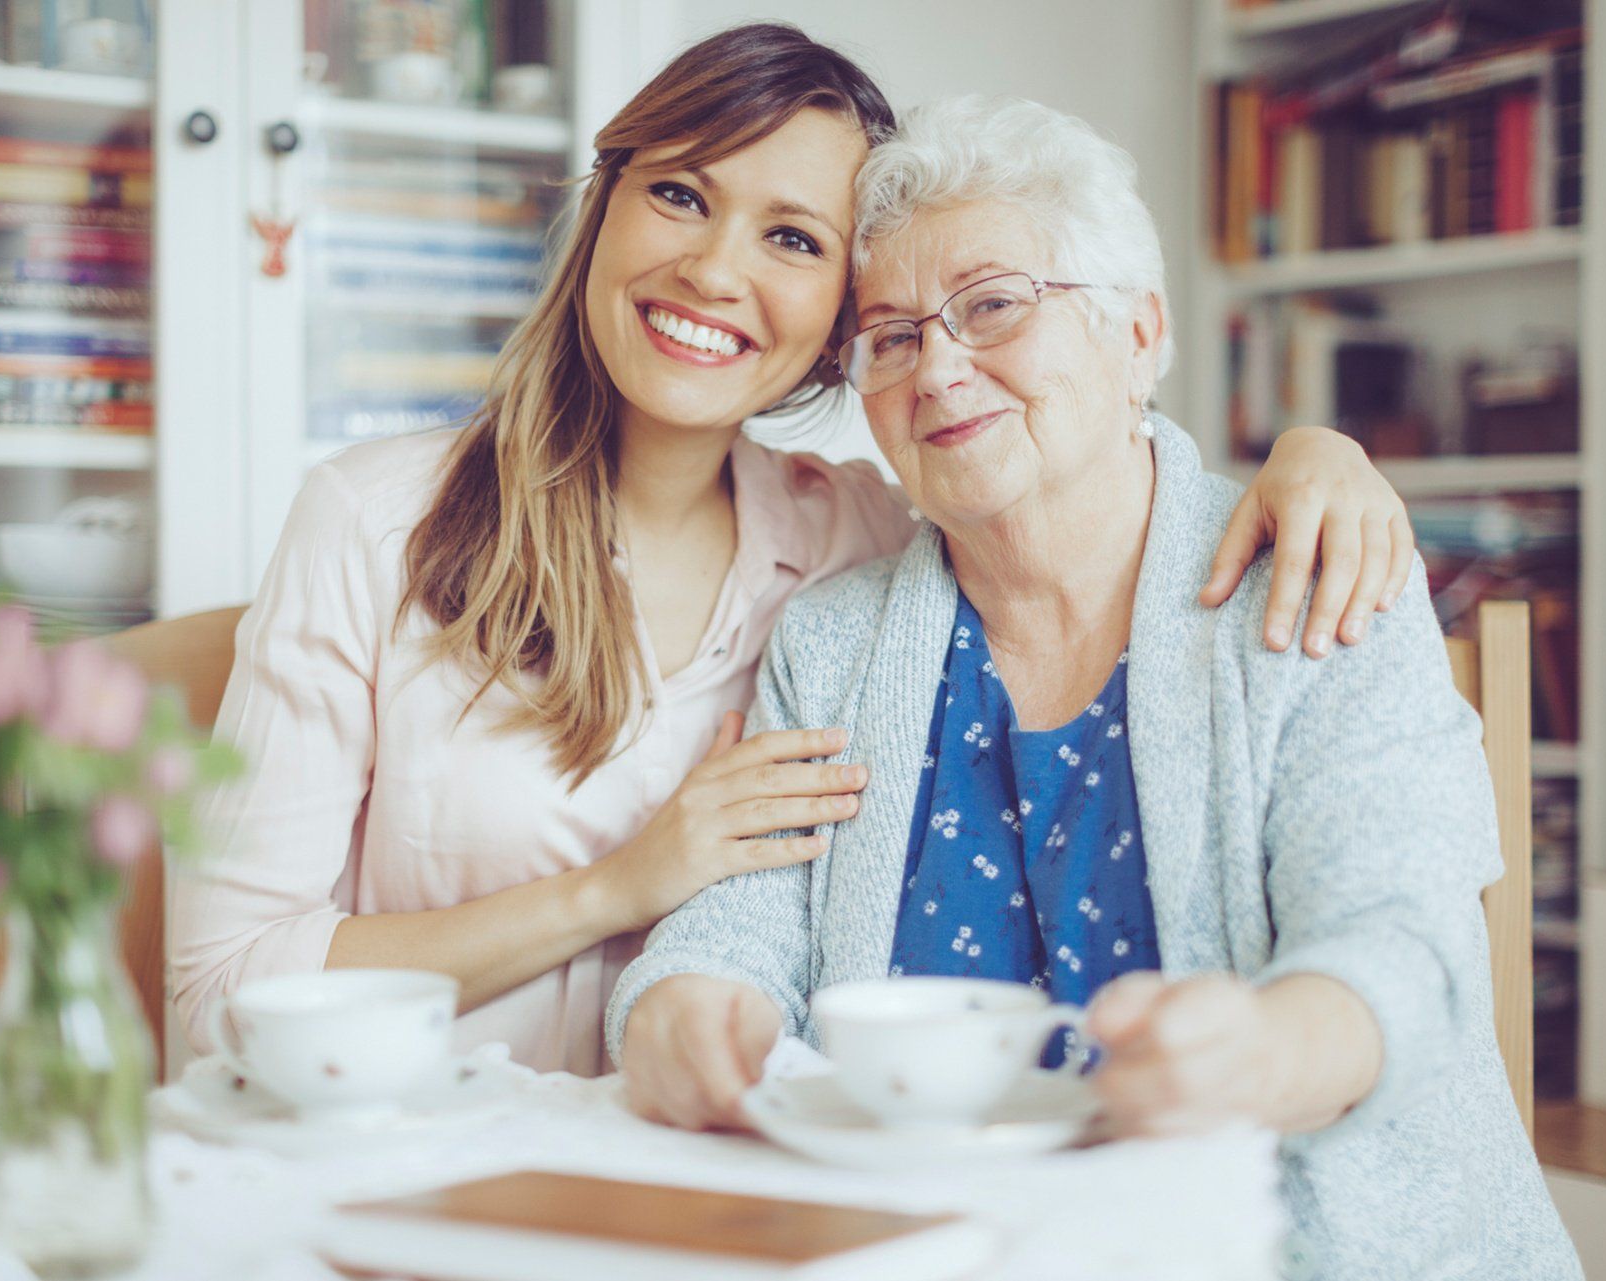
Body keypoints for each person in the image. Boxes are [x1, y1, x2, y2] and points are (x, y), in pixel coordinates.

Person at [171, 25, 1414, 1078]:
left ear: (837, 327)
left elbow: (1066, 472)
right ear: (603, 206)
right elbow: (218, 992)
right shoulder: (371, 523)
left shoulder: (867, 549)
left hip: (717, 1195)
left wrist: (1317, 453)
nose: (713, 270)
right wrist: (620, 887)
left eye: (795, 239)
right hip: (419, 1160)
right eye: (680, 194)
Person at [608, 96, 1580, 1278]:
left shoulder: (1315, 574)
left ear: (1137, 334)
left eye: (996, 305)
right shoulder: (835, 640)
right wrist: (678, 1008)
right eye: (895, 335)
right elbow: (737, 926)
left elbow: (1404, 949)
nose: (940, 368)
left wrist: (1264, 1052)